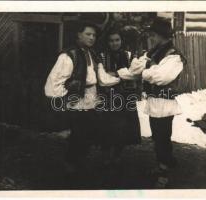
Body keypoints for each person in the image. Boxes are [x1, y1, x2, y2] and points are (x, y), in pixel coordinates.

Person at [44, 20, 120, 172]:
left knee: (88, 133)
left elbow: (102, 79)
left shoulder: (92, 54)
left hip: (91, 98)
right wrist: (68, 98)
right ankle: (71, 164)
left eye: (94, 35)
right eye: (88, 34)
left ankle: (78, 162)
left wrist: (122, 75)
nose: (92, 38)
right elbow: (52, 85)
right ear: (78, 35)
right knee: (79, 133)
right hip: (77, 101)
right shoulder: (69, 55)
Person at [128, 17, 186, 187]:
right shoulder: (154, 52)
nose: (151, 37)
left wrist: (146, 70)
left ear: (162, 35)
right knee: (158, 137)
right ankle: (164, 163)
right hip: (154, 101)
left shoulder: (174, 56)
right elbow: (135, 66)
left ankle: (164, 172)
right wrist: (147, 67)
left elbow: (161, 78)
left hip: (165, 104)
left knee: (162, 138)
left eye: (153, 34)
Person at [98, 29, 142, 166]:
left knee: (124, 128)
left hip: (126, 97)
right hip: (108, 97)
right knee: (108, 127)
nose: (114, 43)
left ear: (122, 41)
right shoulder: (102, 56)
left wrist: (115, 74)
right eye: (111, 41)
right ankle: (105, 155)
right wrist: (124, 75)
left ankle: (117, 154)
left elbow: (135, 74)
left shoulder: (129, 56)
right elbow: (102, 78)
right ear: (107, 42)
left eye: (117, 40)